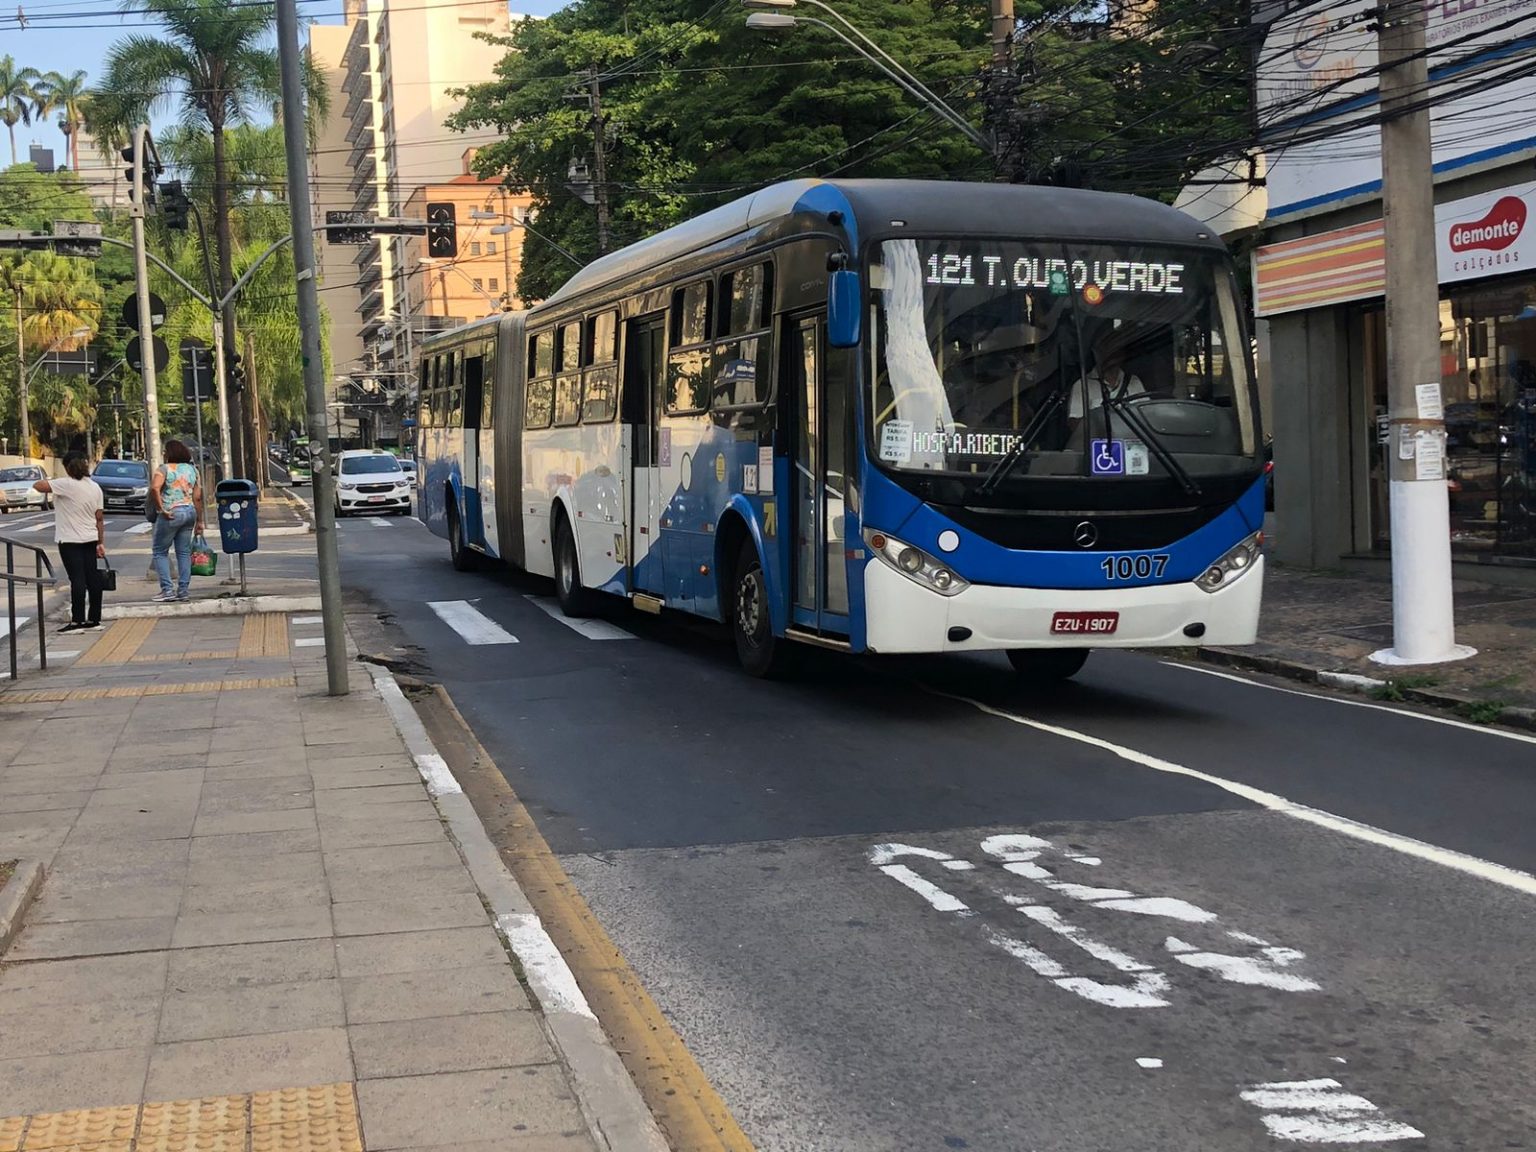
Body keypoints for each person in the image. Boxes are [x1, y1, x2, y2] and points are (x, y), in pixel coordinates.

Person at [33, 452, 106, 633]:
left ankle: (77, 621)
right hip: (90, 538)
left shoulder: (65, 484)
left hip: (69, 540)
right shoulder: (95, 487)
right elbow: (99, 518)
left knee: (77, 580)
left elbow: (38, 485)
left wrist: (53, 481)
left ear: (67, 467)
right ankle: (94, 619)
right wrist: (100, 543)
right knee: (93, 579)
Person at [150, 440, 205, 603]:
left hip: (171, 513)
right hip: (189, 512)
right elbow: (197, 497)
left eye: (165, 451)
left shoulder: (164, 469)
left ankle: (167, 590)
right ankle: (183, 591)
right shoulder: (193, 471)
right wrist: (200, 521)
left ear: (170, 453)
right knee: (183, 552)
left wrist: (161, 509)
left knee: (160, 551)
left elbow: (155, 488)